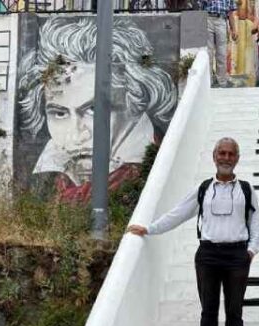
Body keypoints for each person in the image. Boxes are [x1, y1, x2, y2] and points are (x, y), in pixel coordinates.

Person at [127, 138, 259, 326]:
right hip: (208, 255)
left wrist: (250, 251)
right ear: (214, 156)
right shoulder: (204, 189)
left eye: (231, 154)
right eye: (222, 153)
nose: (226, 158)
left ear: (237, 158)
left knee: (234, 309)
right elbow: (178, 213)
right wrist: (149, 228)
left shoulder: (246, 190)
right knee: (208, 309)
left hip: (236, 256)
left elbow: (255, 223)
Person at [18, 17, 177, 199]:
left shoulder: (155, 169)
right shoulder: (48, 174)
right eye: (60, 113)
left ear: (136, 102)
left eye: (93, 110)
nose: (77, 135)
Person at [200, 0, 239, 87]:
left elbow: (230, 13)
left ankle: (222, 82)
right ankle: (208, 82)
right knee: (208, 53)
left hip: (221, 20)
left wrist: (234, 29)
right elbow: (199, 6)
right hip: (207, 19)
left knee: (222, 53)